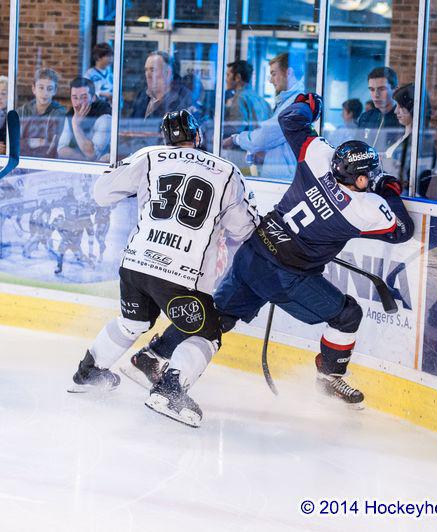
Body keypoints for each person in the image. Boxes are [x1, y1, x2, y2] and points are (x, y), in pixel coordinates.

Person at [135, 94, 415, 423]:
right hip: (287, 276)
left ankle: (154, 354)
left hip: (254, 253)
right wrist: (390, 189)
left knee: (217, 318)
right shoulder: (364, 209)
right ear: (362, 180)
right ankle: (329, 378)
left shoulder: (319, 158)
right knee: (347, 315)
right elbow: (402, 230)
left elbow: (290, 119)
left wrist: (310, 102)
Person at [68, 109, 258, 428]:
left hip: (136, 264)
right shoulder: (226, 171)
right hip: (181, 275)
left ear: (165, 138)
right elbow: (245, 228)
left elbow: (101, 193)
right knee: (208, 333)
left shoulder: (149, 156)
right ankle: (170, 391)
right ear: (198, 137)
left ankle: (88, 373)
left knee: (134, 321)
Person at [222, 52, 304, 180]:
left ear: (289, 73)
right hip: (268, 165)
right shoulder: (263, 100)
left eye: (273, 74)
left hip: (278, 175)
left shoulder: (294, 103)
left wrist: (233, 139)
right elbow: (275, 137)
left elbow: (263, 135)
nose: (270, 80)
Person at [380, 83, 437, 195]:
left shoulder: (420, 143)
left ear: (413, 109)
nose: (396, 111)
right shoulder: (401, 137)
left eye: (401, 106)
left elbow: (413, 179)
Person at [222, 60, 272, 171]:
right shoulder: (262, 100)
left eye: (228, 75)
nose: (226, 79)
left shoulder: (239, 98)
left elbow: (236, 127)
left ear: (238, 77)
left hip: (241, 157)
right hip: (259, 158)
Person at [57, 77, 111, 161]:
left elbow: (92, 154)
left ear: (93, 98)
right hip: (81, 165)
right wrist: (83, 160)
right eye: (75, 98)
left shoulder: (105, 116)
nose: (79, 102)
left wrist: (76, 125)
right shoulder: (71, 114)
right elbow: (61, 149)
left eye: (84, 97)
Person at [16, 68, 66, 158]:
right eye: (41, 88)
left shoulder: (59, 112)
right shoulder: (22, 111)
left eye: (49, 89)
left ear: (55, 91)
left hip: (47, 162)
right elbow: (14, 143)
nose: (45, 93)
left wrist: (26, 142)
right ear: (33, 89)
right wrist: (33, 142)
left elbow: (52, 146)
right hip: (23, 160)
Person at [130, 51, 193, 123]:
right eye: (146, 70)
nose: (148, 75)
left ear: (168, 73)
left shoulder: (184, 99)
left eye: (152, 70)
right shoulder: (142, 96)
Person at [357, 66, 400, 150]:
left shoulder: (402, 119)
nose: (376, 95)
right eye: (372, 89)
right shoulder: (365, 117)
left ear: (395, 90)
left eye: (382, 89)